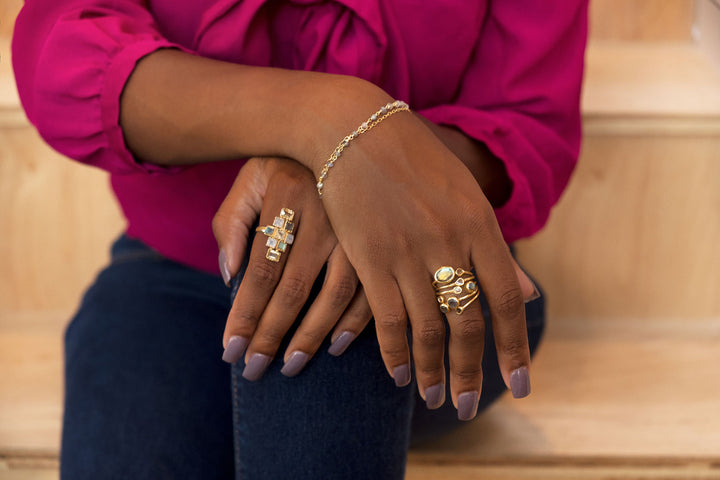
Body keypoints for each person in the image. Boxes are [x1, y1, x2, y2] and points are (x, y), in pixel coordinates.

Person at [12, 0, 588, 478]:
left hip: (440, 273)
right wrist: (330, 119)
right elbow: (63, 54)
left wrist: (365, 184)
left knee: (337, 301)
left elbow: (532, 124)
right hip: (178, 268)